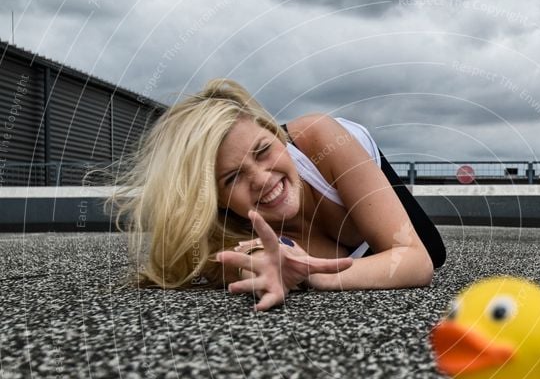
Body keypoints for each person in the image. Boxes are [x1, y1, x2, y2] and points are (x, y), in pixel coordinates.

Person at [112, 78, 446, 310]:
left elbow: (417, 261)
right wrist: (265, 266)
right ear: (218, 199)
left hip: (354, 165)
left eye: (261, 151)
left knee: (432, 252)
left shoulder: (321, 138)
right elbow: (253, 261)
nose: (260, 179)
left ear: (274, 132)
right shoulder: (220, 235)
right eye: (233, 177)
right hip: (326, 243)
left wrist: (315, 275)